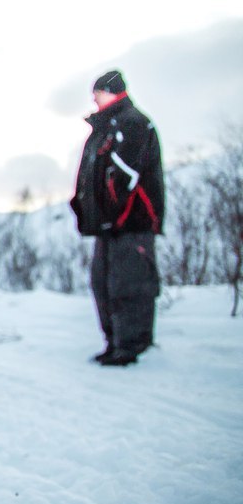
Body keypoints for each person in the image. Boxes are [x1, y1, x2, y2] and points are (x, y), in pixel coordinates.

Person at [69, 69, 164, 367]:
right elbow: (90, 175)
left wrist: (114, 212)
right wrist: (84, 208)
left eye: (98, 92)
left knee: (129, 284)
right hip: (107, 226)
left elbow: (125, 177)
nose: (94, 98)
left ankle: (132, 346)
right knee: (103, 284)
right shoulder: (104, 129)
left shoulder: (133, 123)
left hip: (132, 223)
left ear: (112, 91)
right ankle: (114, 342)